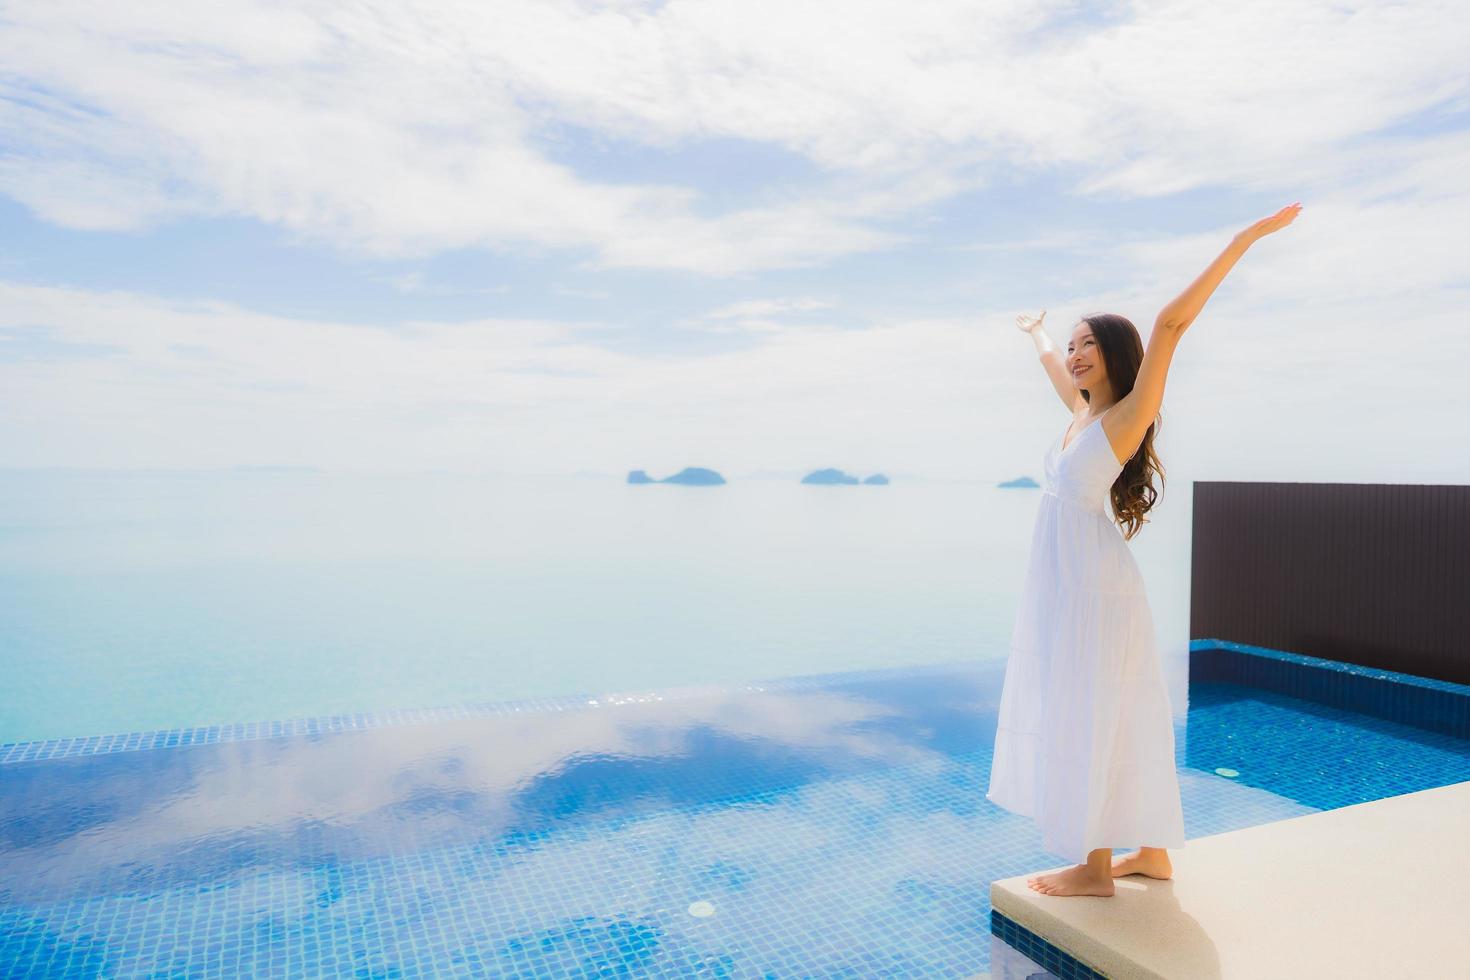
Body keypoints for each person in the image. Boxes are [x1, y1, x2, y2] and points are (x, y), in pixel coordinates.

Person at [986, 202, 1304, 897]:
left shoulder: (1128, 417)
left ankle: (1097, 867)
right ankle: (1152, 853)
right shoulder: (1079, 415)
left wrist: (1242, 240)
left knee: (1093, 707)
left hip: (1094, 588)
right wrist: (1039, 334)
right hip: (1072, 581)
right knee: (1120, 708)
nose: (1073, 356)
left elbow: (1169, 324)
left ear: (1115, 356)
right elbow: (1052, 370)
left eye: (1085, 345)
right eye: (1071, 347)